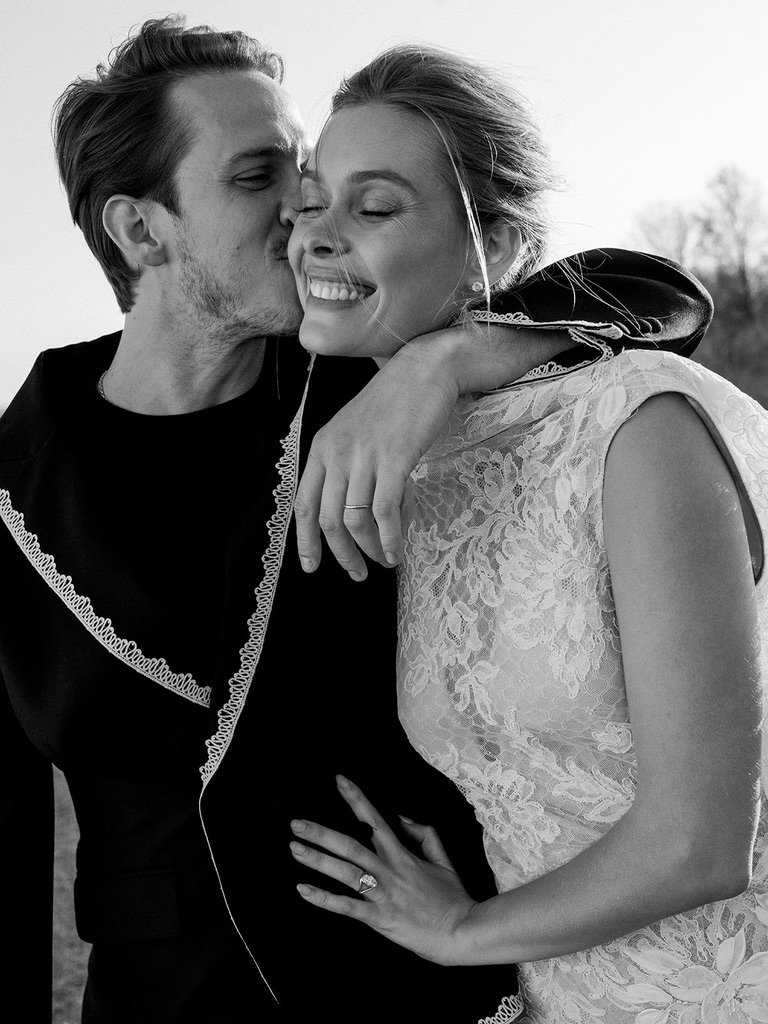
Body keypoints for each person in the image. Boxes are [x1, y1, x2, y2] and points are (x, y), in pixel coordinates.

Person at [0, 18, 714, 1024]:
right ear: (141, 230)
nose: (301, 205)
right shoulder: (10, 490)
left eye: (301, 169)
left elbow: (661, 294)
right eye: (258, 176)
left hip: (413, 985)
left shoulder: (373, 366)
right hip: (159, 1000)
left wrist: (449, 358)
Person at [284, 44, 768, 1024]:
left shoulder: (634, 424)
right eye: (306, 201)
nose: (317, 236)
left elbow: (702, 841)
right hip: (556, 998)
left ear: (496, 247)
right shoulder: (397, 450)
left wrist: (459, 931)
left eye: (373, 207)